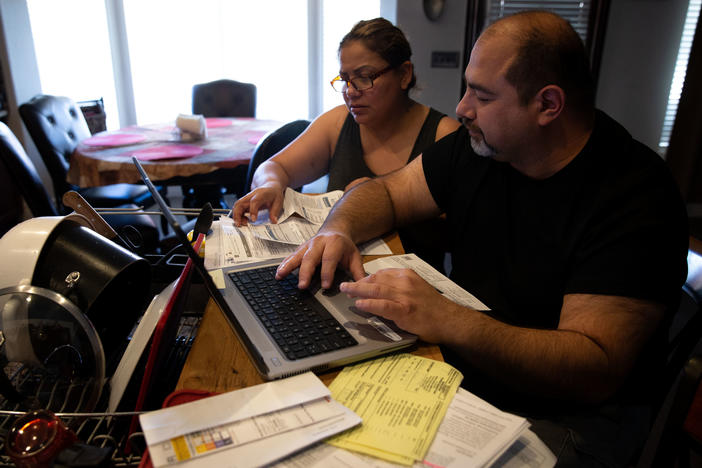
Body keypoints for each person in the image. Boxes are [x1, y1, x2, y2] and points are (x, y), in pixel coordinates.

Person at [275, 11, 689, 467]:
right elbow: (389, 192)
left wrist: (447, 319)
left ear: (548, 105)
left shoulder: (635, 195)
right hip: (471, 373)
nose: (463, 108)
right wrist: (339, 228)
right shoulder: (483, 147)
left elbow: (593, 370)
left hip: (571, 419)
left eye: (483, 94)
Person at [232, 18, 460, 270]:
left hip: (413, 287)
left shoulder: (444, 135)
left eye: (364, 77)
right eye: (345, 79)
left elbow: (465, 236)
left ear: (404, 74)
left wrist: (374, 203)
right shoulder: (339, 122)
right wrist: (272, 184)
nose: (351, 91)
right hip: (337, 275)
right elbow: (274, 166)